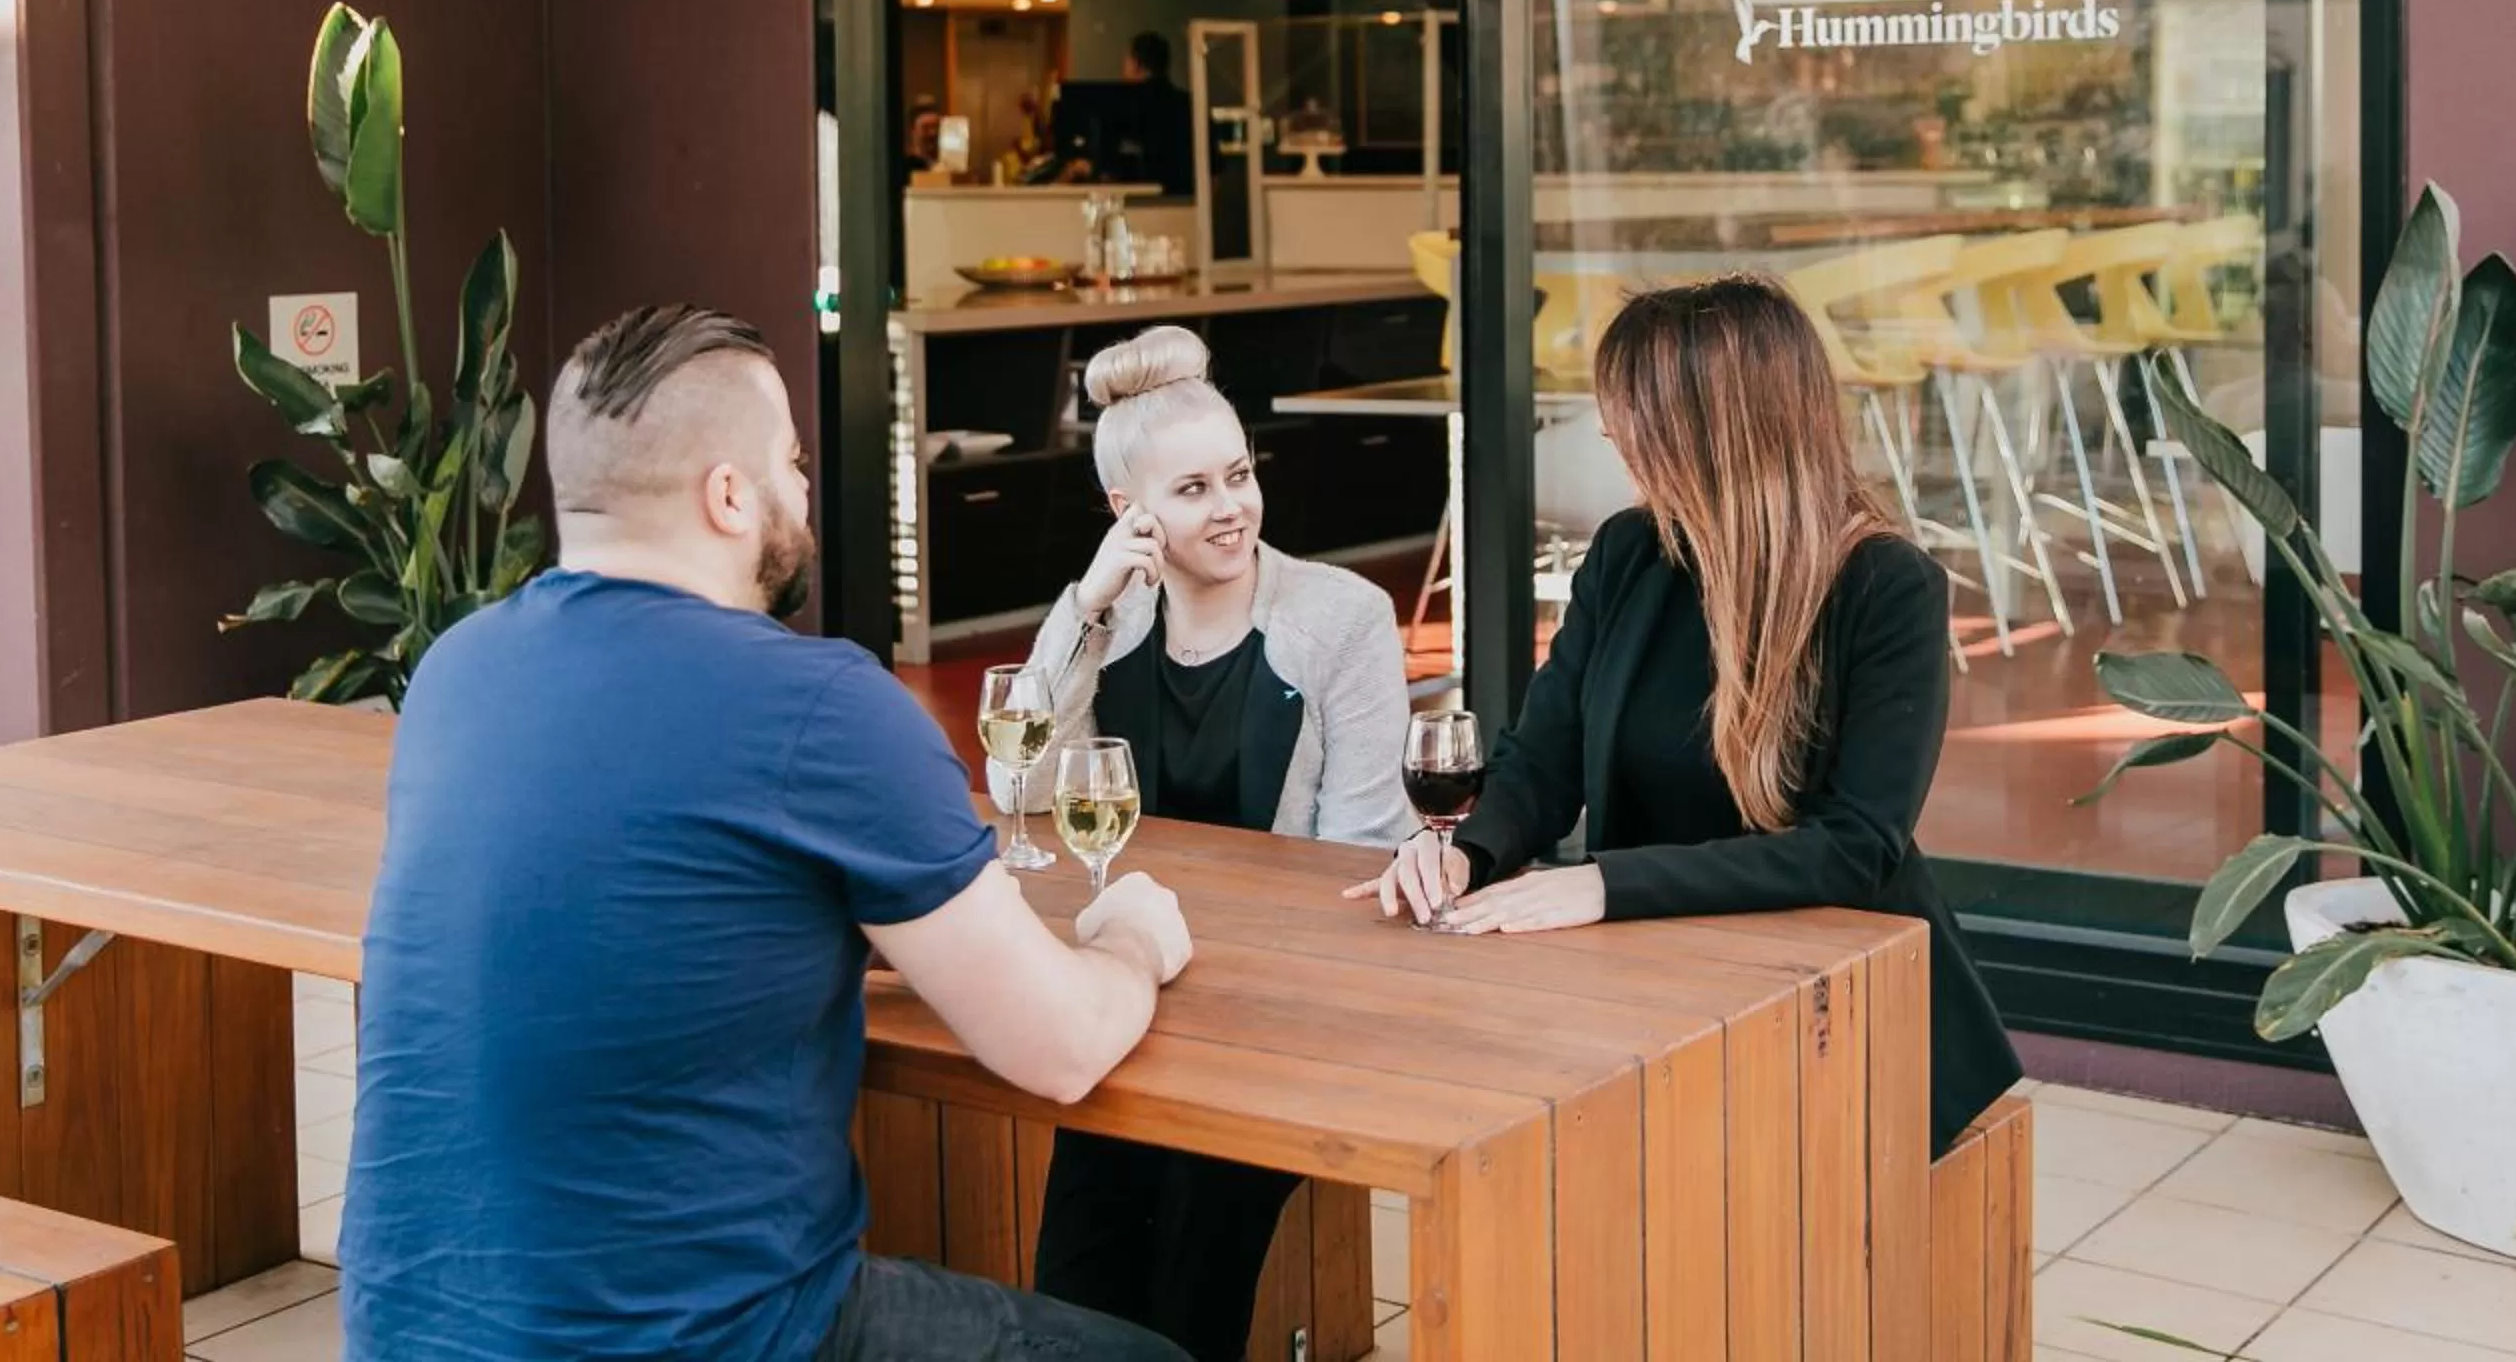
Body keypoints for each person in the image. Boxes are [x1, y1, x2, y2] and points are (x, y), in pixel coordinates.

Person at [342, 304, 1196, 1362]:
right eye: (791, 461)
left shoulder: (457, 672)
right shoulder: (822, 704)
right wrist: (1133, 940)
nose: (802, 489)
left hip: (405, 1333)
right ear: (731, 494)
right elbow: (1060, 1047)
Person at [1346, 274, 2022, 1157]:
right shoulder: (1631, 552)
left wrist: (1602, 884)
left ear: (1718, 432)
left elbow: (1857, 845)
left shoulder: (1883, 586)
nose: (1611, 432)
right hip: (1659, 989)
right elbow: (1541, 760)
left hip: (1844, 1009)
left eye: (1638, 416)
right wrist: (1464, 853)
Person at [1014, 324, 1416, 1360]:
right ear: (1129, 513)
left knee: (1191, 1254)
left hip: (1277, 1012)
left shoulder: (1342, 619)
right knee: (1079, 1245)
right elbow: (1018, 783)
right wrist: (1086, 603)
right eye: (1192, 489)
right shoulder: (1118, 626)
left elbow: (1358, 854)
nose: (1232, 505)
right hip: (1134, 989)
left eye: (1238, 474)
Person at [1118, 32, 1195, 199]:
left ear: (1137, 64)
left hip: (1136, 207)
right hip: (1186, 208)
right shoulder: (1190, 104)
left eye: (1127, 60)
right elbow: (1214, 170)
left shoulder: (1125, 106)